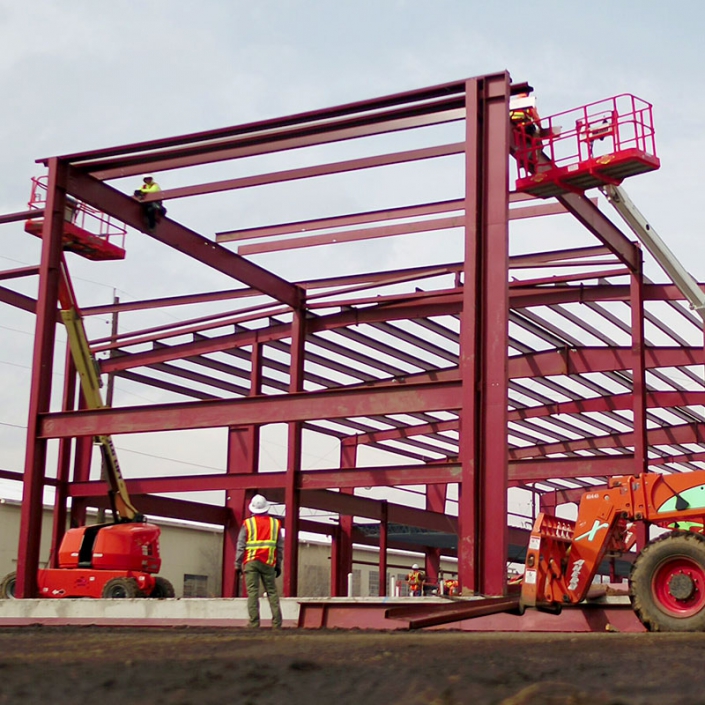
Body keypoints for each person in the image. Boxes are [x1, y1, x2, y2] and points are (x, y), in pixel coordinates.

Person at [235, 494, 283, 629]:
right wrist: (278, 565)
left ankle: (254, 623)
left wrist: (237, 564)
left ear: (252, 510)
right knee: (272, 592)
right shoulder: (275, 524)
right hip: (268, 563)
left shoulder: (248, 523)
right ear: (266, 508)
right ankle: (277, 624)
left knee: (252, 592)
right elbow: (279, 547)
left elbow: (241, 545)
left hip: (251, 561)